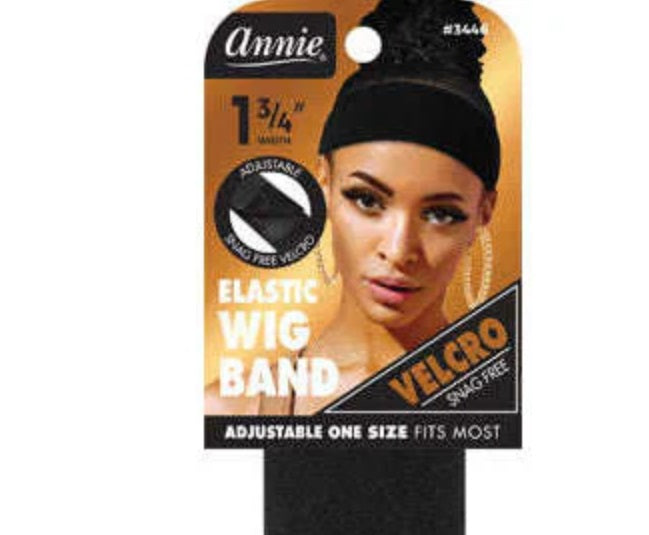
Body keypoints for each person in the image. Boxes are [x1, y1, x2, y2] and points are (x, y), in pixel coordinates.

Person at [206, 0, 501, 415]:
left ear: (485, 210)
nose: (398, 251)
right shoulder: (226, 410)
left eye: (440, 214)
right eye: (367, 200)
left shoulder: (512, 407)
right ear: (324, 182)